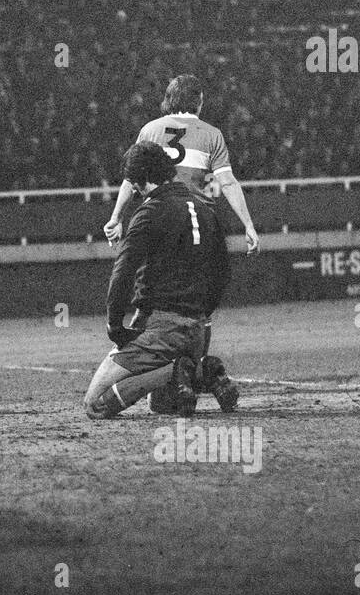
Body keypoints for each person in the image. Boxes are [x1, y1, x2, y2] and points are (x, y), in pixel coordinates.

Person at [103, 74, 259, 361]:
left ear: (168, 100)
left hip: (159, 221)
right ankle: (197, 367)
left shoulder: (150, 129)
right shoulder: (211, 134)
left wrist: (116, 217)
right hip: (199, 226)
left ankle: (141, 355)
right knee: (200, 303)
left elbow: (131, 176)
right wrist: (248, 225)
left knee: (151, 292)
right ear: (199, 102)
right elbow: (228, 183)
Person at [84, 142, 240, 419]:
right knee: (162, 406)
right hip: (197, 329)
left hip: (160, 329)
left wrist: (114, 325)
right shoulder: (205, 209)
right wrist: (201, 314)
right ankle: (202, 369)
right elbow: (223, 273)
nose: (133, 189)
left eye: (134, 183)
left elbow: (123, 272)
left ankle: (180, 368)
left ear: (144, 177)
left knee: (94, 404)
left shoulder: (150, 211)